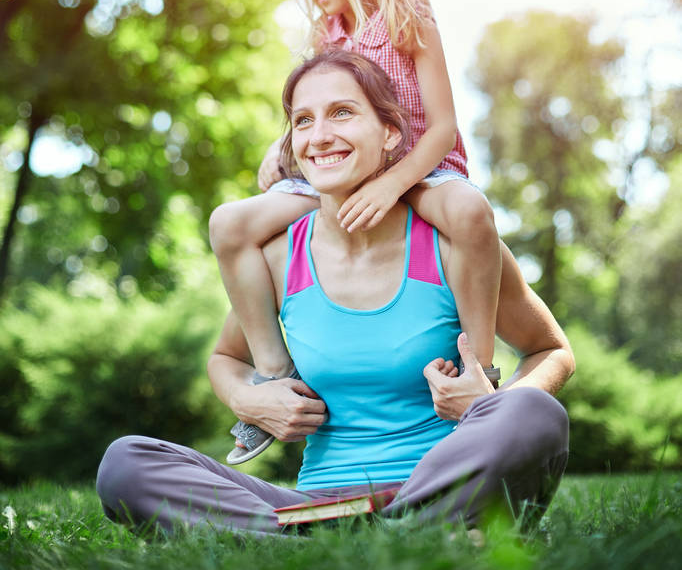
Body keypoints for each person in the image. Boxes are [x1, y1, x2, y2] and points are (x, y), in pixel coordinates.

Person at [97, 51, 574, 535]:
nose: (319, 135)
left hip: (439, 486)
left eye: (342, 112)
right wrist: (248, 400)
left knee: (532, 412)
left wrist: (488, 405)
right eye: (303, 121)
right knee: (128, 462)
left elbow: (551, 350)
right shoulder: (280, 258)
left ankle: (359, 535)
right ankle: (377, 538)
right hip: (318, 503)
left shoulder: (454, 246)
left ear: (391, 134)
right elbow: (226, 358)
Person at [209, 0, 503, 463]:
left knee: (469, 212)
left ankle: (480, 375)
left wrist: (392, 184)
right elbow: (321, 109)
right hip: (344, 177)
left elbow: (442, 126)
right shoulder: (329, 33)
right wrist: (282, 145)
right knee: (229, 224)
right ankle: (275, 371)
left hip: (419, 168)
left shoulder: (406, 10)